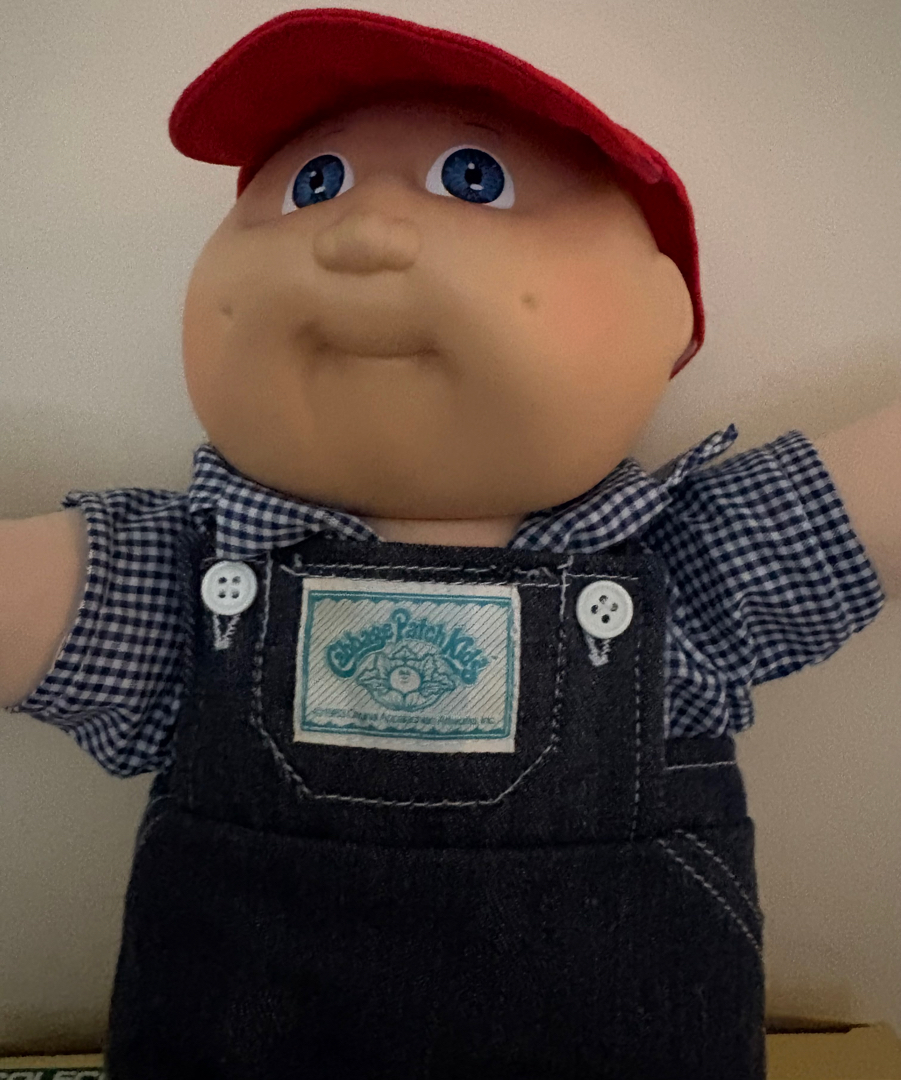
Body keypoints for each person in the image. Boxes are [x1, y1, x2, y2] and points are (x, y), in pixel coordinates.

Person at [0, 9, 897, 1079]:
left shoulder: (691, 565)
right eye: (315, 185)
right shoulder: (183, 577)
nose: (362, 233)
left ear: (666, 313)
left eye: (474, 180)